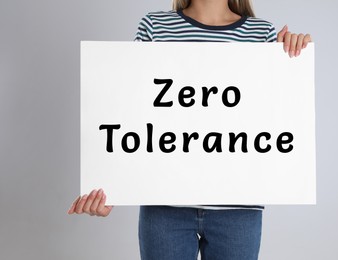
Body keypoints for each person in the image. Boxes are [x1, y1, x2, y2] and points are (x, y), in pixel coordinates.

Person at [68, 0, 312, 259]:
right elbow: (133, 110)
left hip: (238, 207)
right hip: (164, 205)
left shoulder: (261, 33)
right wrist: (113, 187)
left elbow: (270, 112)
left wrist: (291, 54)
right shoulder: (155, 27)